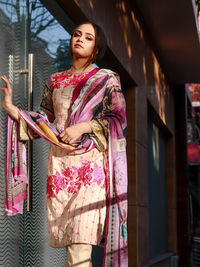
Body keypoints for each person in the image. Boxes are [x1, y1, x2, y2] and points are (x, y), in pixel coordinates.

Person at [0, 22, 128, 267]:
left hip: (91, 170)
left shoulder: (106, 79)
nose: (80, 39)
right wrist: (11, 108)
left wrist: (82, 127)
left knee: (80, 246)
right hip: (59, 168)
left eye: (88, 37)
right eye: (77, 34)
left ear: (96, 47)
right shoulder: (55, 80)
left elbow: (118, 117)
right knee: (72, 247)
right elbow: (42, 121)